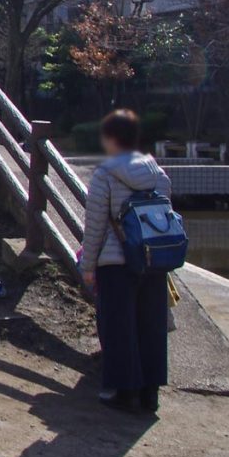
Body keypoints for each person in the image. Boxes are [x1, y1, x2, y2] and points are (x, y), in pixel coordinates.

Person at [80, 109, 172, 414]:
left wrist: (88, 266)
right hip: (153, 260)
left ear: (110, 139)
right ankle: (150, 393)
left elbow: (95, 226)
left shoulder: (105, 175)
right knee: (151, 325)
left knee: (119, 326)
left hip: (116, 262)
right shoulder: (158, 175)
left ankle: (125, 391)